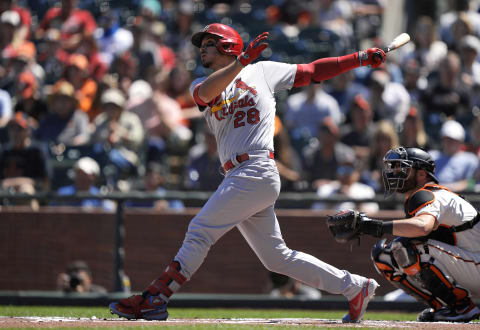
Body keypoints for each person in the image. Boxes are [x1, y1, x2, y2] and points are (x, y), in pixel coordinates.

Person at [109, 22, 386, 322]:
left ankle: (156, 297)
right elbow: (204, 95)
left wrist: (358, 58)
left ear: (228, 44)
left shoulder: (262, 71)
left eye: (209, 42)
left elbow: (312, 71)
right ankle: (355, 287)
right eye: (202, 43)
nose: (202, 47)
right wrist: (241, 61)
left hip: (256, 167)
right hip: (238, 174)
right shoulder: (202, 83)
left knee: (200, 231)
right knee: (276, 257)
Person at [329, 146, 480, 322]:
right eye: (394, 168)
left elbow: (423, 226)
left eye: (403, 169)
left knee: (410, 249)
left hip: (475, 262)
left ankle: (461, 308)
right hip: (469, 264)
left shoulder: (429, 194)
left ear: (422, 174)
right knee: (386, 255)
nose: (395, 173)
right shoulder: (420, 196)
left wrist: (375, 226)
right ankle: (445, 306)